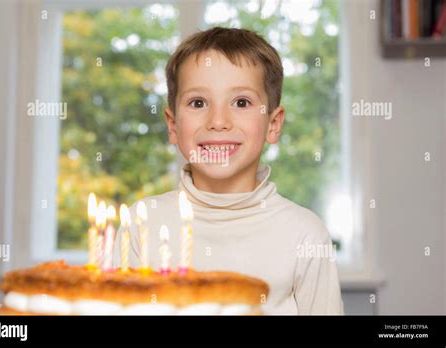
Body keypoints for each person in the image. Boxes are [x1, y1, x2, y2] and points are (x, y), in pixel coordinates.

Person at [115, 27, 344, 315]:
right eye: (198, 103)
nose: (218, 121)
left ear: (273, 124)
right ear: (173, 125)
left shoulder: (305, 235)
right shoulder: (139, 223)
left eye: (241, 103)